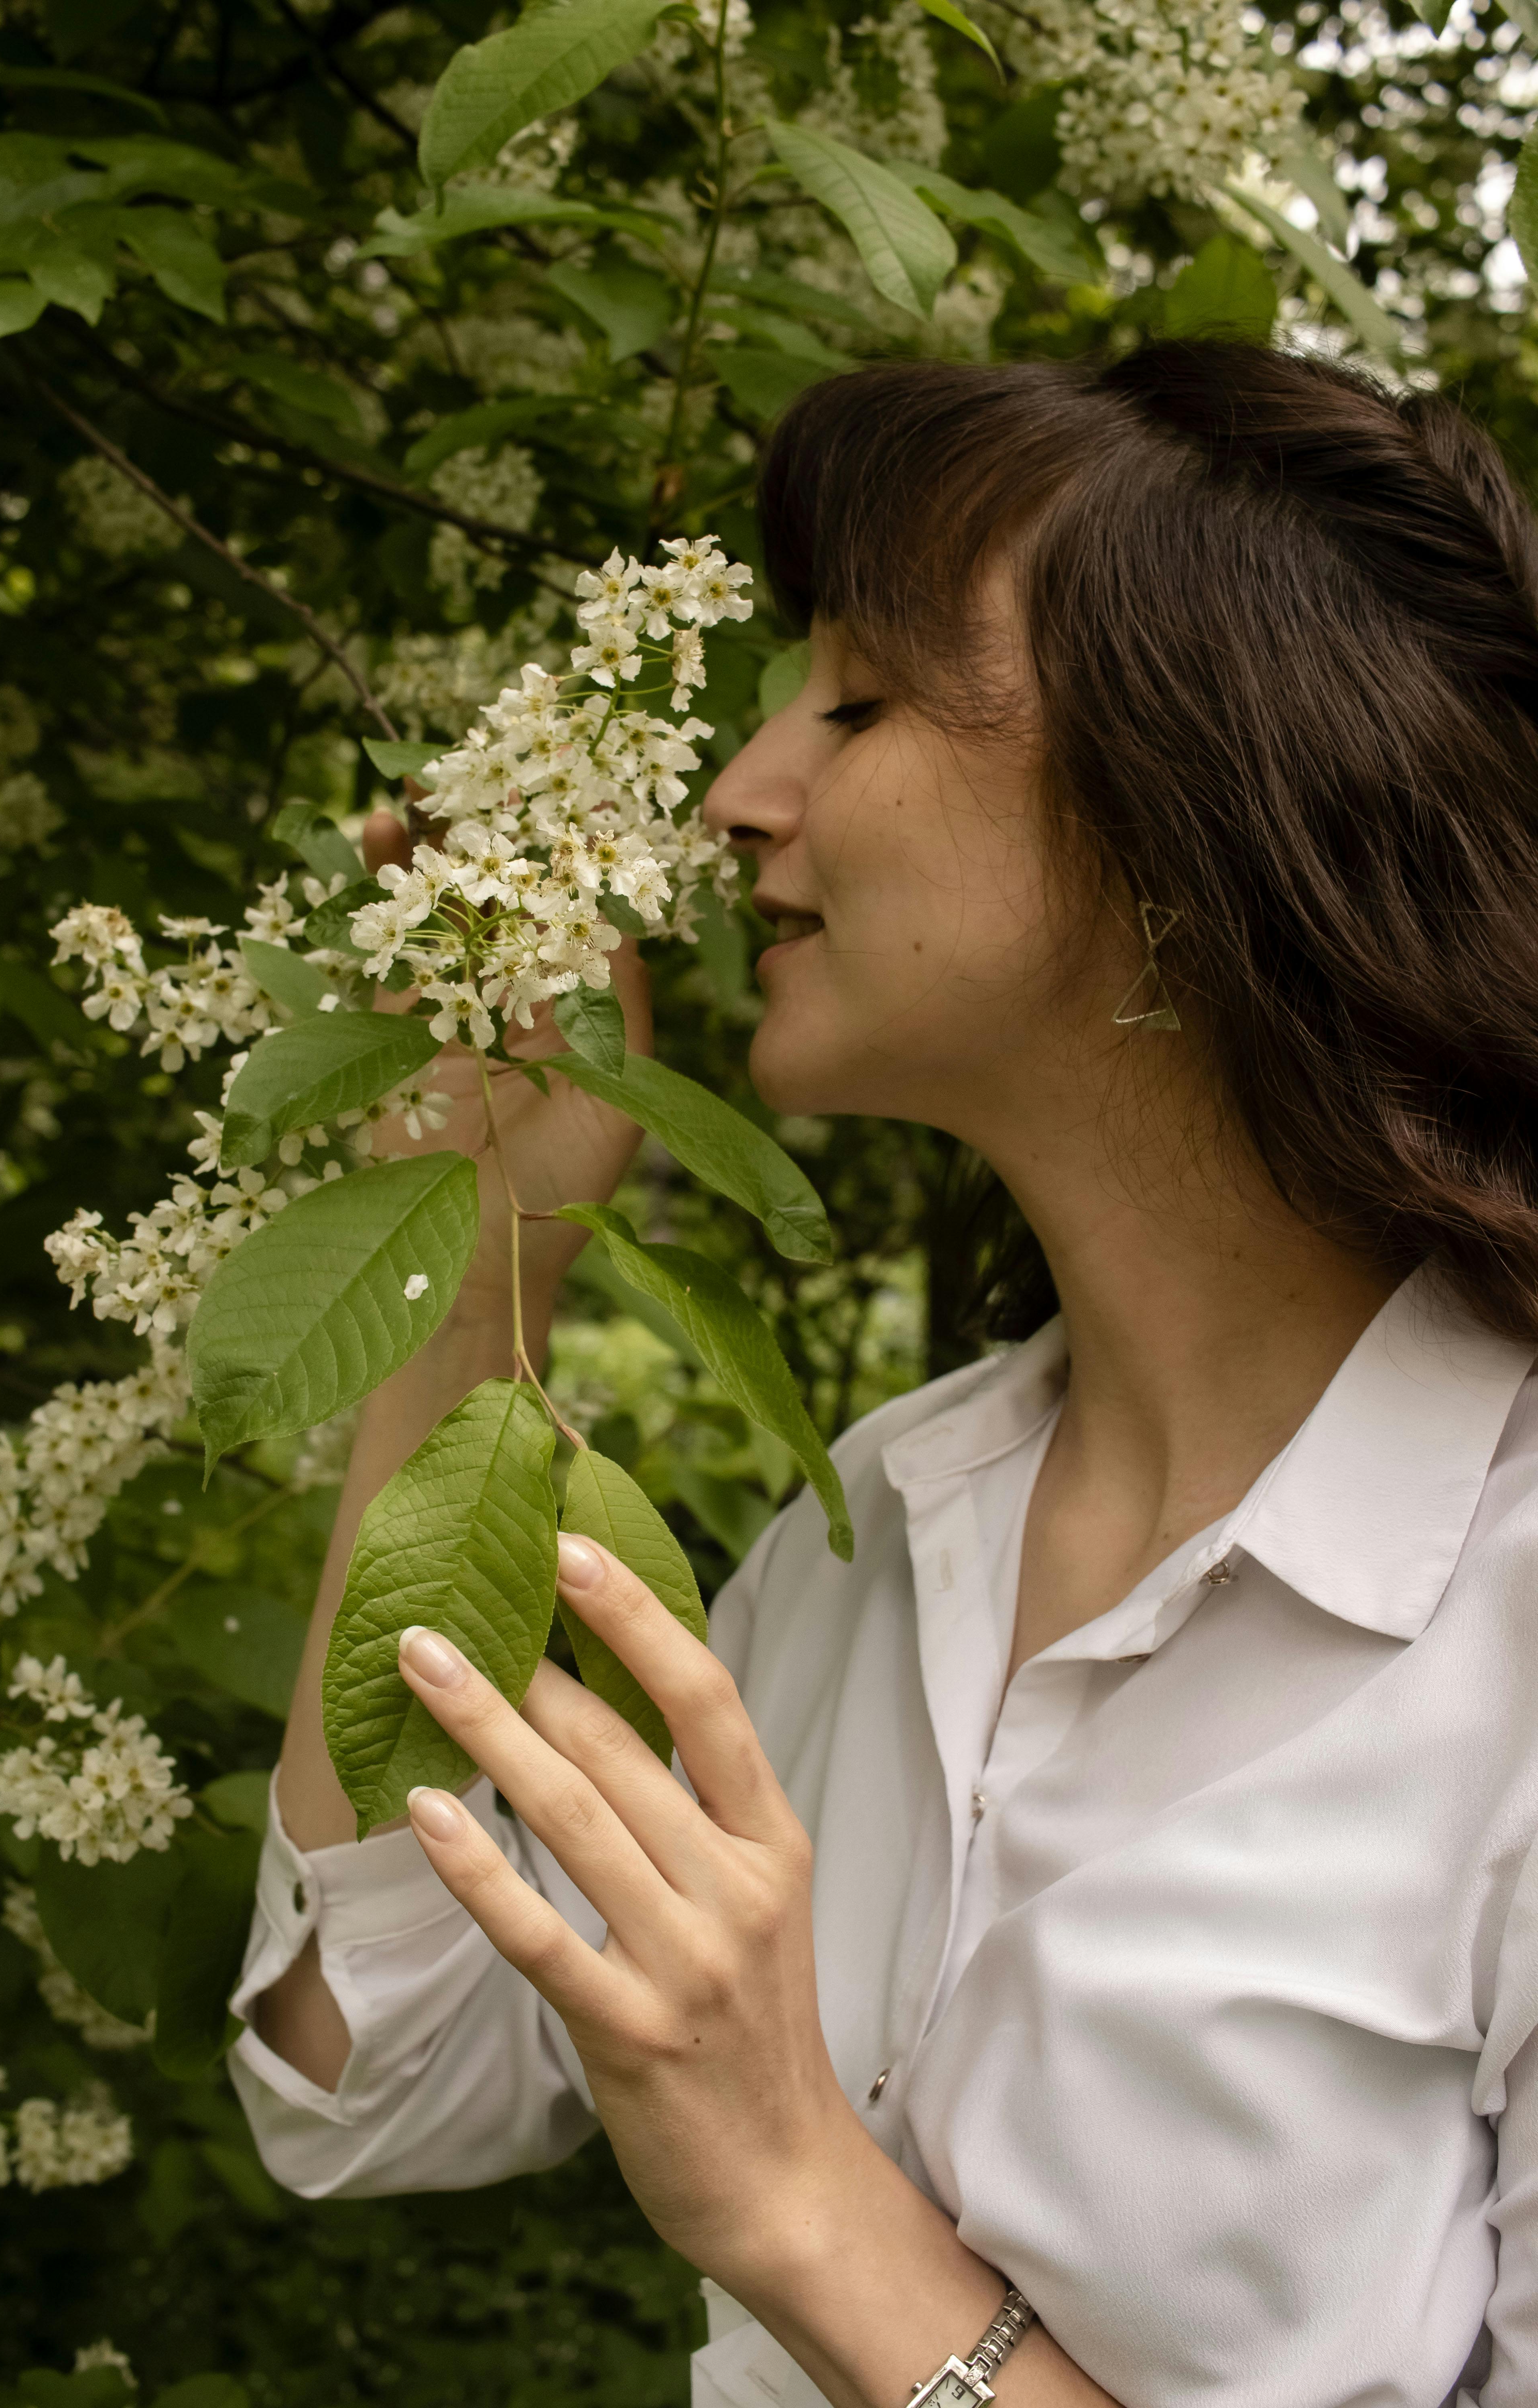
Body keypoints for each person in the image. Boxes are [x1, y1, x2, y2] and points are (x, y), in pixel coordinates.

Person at [229, 344, 1538, 2408]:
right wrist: (475, 1254)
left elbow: (746, 2182)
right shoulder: (889, 1519)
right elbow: (360, 2075)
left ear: (1191, 800)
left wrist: (801, 2208)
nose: (746, 790)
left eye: (857, 701)